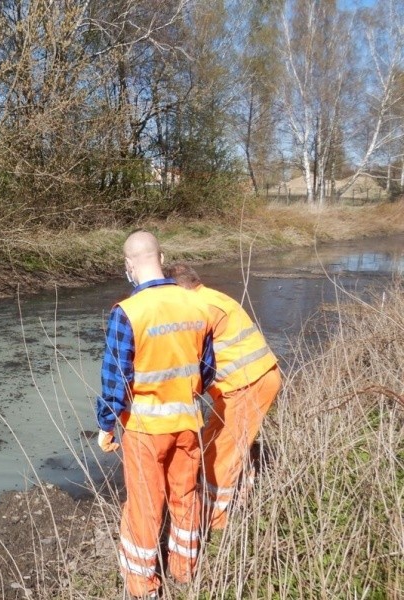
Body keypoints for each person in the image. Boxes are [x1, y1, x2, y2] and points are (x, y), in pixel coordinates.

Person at [96, 231, 215, 599]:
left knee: (145, 506)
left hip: (146, 427)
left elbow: (115, 379)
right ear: (161, 257)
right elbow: (207, 370)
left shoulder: (128, 312)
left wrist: (106, 424)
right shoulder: (196, 304)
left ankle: (142, 585)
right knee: (185, 495)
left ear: (129, 265)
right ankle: (184, 570)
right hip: (188, 422)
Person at [162, 263, 282, 531]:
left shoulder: (196, 309)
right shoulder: (213, 297)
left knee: (217, 456)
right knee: (232, 443)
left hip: (246, 386)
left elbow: (189, 363)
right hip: (259, 377)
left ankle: (215, 523)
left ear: (176, 288)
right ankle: (242, 496)